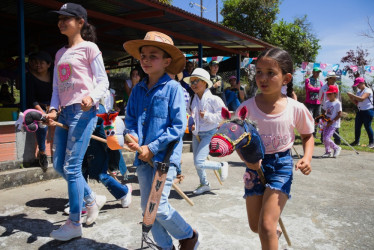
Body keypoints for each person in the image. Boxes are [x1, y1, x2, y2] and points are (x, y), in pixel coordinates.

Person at [123, 31, 199, 249]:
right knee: (148, 209)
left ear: (167, 61)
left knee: (160, 206)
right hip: (142, 158)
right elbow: (130, 119)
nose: (145, 59)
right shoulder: (137, 90)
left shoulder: (174, 88)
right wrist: (133, 137)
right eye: (143, 55)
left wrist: (152, 147)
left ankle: (188, 235)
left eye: (152, 55)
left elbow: (178, 127)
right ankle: (166, 247)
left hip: (164, 158)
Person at [236, 48, 314, 249]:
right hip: (254, 167)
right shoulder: (246, 108)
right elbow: (236, 138)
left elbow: (307, 136)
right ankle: (273, 235)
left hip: (281, 166)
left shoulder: (295, 108)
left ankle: (271, 234)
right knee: (256, 226)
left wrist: (307, 157)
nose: (263, 78)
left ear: (286, 78)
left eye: (271, 73)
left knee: (266, 226)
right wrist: (248, 162)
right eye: (259, 72)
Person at [45, 3, 109, 241]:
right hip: (64, 112)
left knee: (72, 167)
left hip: (84, 111)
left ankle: (74, 222)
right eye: (59, 18)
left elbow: (103, 81)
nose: (61, 22)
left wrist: (91, 97)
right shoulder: (60, 54)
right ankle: (91, 199)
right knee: (60, 165)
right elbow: (56, 88)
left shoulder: (90, 48)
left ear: (81, 22)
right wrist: (52, 109)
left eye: (67, 18)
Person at [184, 68, 228, 195]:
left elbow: (224, 115)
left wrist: (207, 116)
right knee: (197, 163)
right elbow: (189, 114)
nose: (193, 85)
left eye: (196, 81)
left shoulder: (214, 99)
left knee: (199, 162)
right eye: (191, 82)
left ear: (204, 82)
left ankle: (221, 166)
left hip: (210, 133)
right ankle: (204, 183)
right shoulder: (192, 99)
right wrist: (192, 124)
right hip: (196, 133)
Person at [25, 50, 53, 171]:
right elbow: (32, 99)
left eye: (41, 62)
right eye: (36, 62)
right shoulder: (29, 77)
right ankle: (42, 153)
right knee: (42, 124)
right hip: (37, 108)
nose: (38, 65)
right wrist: (42, 113)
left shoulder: (54, 76)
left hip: (53, 107)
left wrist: (54, 110)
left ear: (49, 64)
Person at [347, 77, 374, 148]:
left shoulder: (368, 90)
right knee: (357, 127)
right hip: (360, 111)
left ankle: (372, 142)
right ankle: (356, 141)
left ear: (363, 83)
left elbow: (362, 99)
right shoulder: (358, 92)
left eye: (358, 85)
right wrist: (350, 97)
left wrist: (352, 95)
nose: (357, 86)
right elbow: (356, 103)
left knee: (367, 126)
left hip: (368, 111)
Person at [319, 71, 341, 144]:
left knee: (334, 123)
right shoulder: (323, 88)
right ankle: (323, 139)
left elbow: (338, 97)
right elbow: (320, 98)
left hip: (334, 106)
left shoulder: (336, 86)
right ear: (328, 79)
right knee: (325, 123)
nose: (334, 80)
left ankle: (337, 140)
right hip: (325, 107)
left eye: (335, 79)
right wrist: (324, 107)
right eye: (333, 79)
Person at [320, 85, 342, 158]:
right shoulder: (327, 102)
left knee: (327, 138)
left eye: (330, 93)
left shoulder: (337, 103)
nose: (328, 95)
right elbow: (325, 111)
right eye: (328, 93)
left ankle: (336, 148)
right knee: (324, 138)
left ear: (335, 93)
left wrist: (332, 122)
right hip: (326, 123)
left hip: (333, 124)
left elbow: (339, 114)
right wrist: (323, 118)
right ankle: (328, 152)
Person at [305, 67, 323, 136]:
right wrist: (319, 89)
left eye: (318, 72)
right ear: (313, 72)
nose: (317, 73)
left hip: (318, 102)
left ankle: (314, 132)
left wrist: (315, 89)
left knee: (317, 118)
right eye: (316, 72)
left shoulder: (320, 82)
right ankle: (308, 131)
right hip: (310, 102)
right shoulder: (308, 80)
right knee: (310, 117)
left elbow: (322, 90)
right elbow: (309, 88)